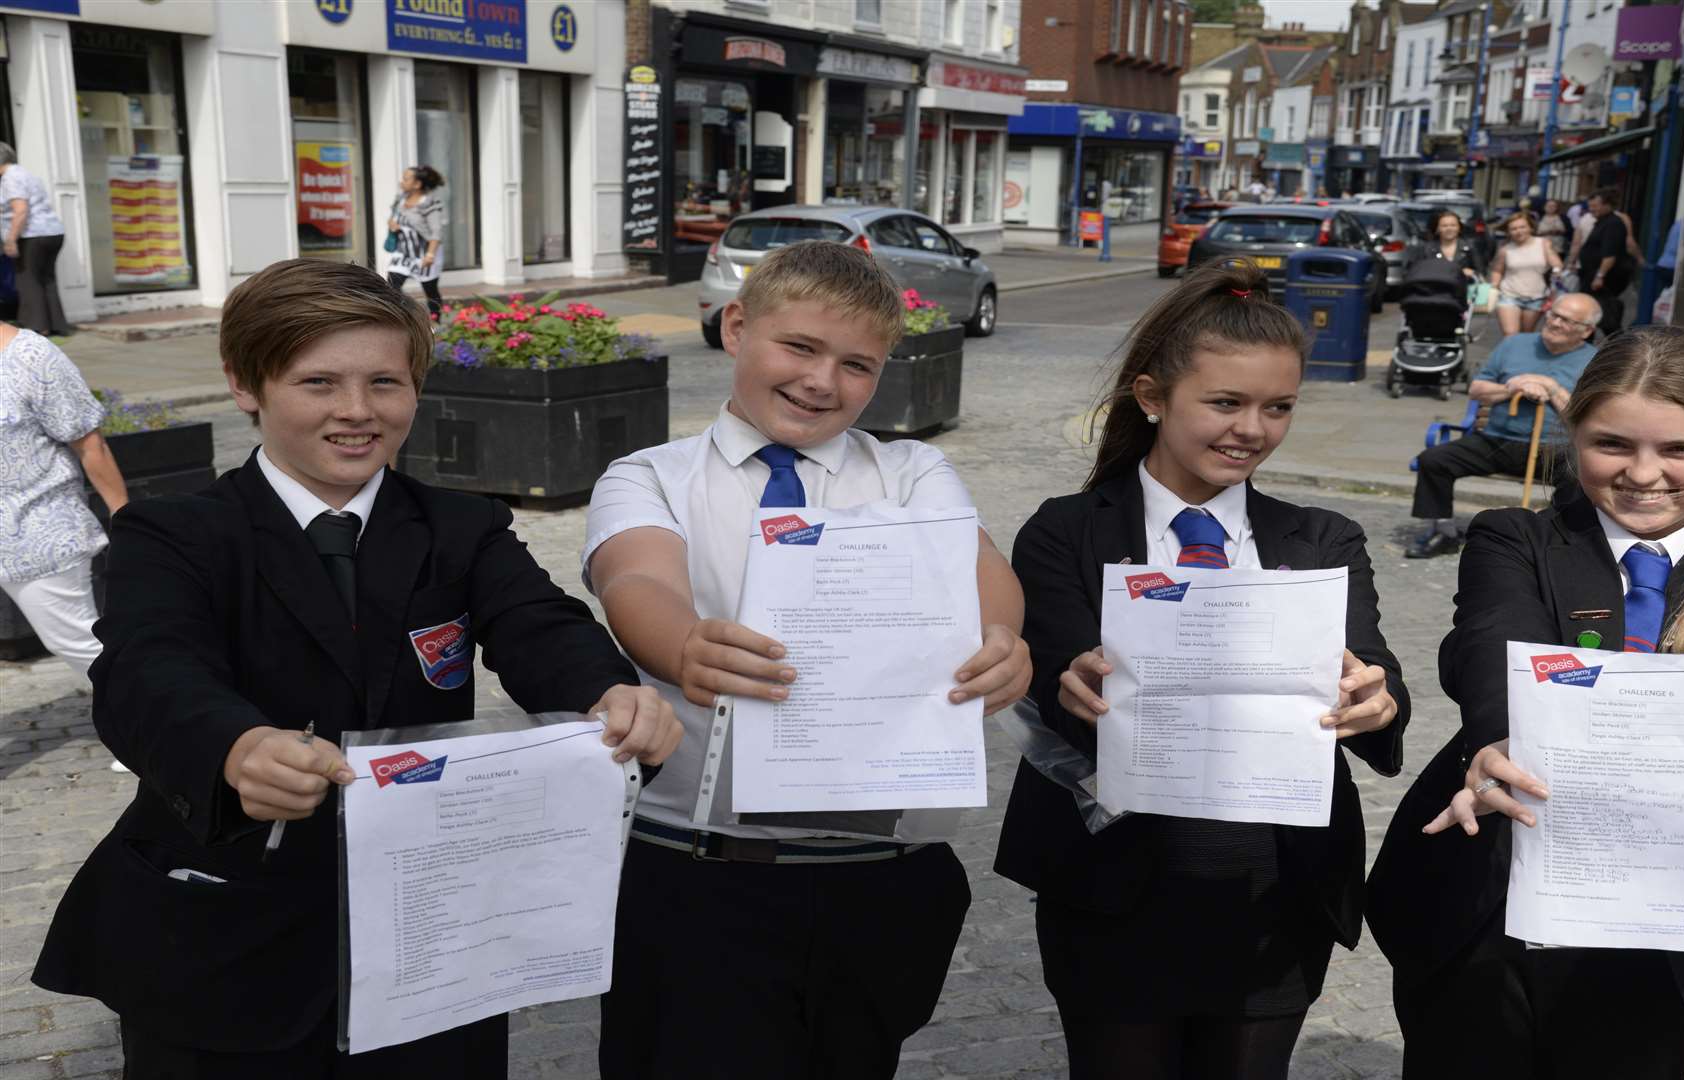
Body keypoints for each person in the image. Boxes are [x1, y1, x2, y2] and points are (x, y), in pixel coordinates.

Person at [31, 258, 682, 1078]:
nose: (356, 411)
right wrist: (234, 747)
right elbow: (146, 671)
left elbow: (540, 624)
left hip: (434, 943)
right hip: (226, 946)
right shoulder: (174, 535)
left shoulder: (460, 525)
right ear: (246, 385)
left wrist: (608, 689)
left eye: (385, 382)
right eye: (317, 382)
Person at [1368, 326, 1684, 1079]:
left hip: (1662, 933)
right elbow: (1489, 645)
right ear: (1573, 435)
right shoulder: (1517, 539)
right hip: (1490, 903)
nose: (1644, 475)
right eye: (1613, 445)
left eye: (1679, 450)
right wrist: (1501, 739)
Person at [583, 239, 1031, 1080]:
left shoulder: (910, 471)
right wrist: (683, 644)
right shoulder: (651, 476)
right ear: (737, 326)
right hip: (697, 874)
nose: (823, 382)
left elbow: (981, 573)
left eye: (857, 365)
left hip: (881, 879)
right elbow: (635, 577)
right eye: (799, 347)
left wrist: (1002, 641)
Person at [995, 258, 1411, 1080]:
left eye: (1278, 407)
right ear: (1153, 398)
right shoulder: (1065, 530)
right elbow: (1047, 663)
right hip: (1115, 883)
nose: (1251, 429)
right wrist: (1067, 682)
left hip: (1272, 887)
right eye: (1224, 402)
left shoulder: (1320, 539)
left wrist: (1377, 698)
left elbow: (1372, 661)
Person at [1404, 292, 1602, 559]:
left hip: (1553, 449)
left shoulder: (1595, 361)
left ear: (1586, 330)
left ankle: (1558, 540)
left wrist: (1552, 389)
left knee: (1578, 476)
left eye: (1566, 321)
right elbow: (1477, 389)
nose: (1554, 323)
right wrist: (1514, 386)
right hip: (1496, 441)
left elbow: (1586, 419)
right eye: (1553, 315)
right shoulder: (1515, 344)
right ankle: (1444, 532)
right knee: (1434, 459)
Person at [0, 322, 126, 685]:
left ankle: (163, 724)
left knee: (79, 644)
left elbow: (90, 444)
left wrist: (126, 519)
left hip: (37, 532)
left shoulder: (31, 356)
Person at [0, 142, 77, 337]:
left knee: (28, 279)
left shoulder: (11, 178)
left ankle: (37, 327)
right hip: (53, 232)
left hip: (33, 235)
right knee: (47, 279)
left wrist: (10, 240)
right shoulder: (27, 174)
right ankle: (57, 325)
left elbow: (21, 210)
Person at [1488, 210, 1564, 336]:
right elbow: (1497, 271)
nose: (1518, 231)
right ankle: (1510, 355)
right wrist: (1493, 288)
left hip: (1536, 297)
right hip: (1509, 295)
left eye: (1522, 227)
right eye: (1514, 229)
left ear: (1530, 227)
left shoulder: (1543, 243)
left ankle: (1521, 355)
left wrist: (1556, 271)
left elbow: (1557, 265)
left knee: (1526, 335)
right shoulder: (1505, 249)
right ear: (1509, 232)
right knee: (1510, 334)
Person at [386, 165, 447, 322]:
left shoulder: (429, 203)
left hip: (424, 253)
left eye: (406, 178)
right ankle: (397, 319)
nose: (402, 181)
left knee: (430, 290)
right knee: (391, 286)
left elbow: (436, 232)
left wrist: (430, 254)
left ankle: (437, 321)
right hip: (403, 252)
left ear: (417, 184)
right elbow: (393, 218)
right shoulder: (400, 199)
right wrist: (393, 225)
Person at [1576, 187, 1636, 336]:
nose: (1591, 210)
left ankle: (1616, 342)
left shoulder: (1613, 224)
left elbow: (1609, 254)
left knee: (1602, 312)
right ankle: (1587, 341)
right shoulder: (1602, 221)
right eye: (1590, 206)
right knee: (1592, 310)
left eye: (1595, 206)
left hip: (1603, 279)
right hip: (1591, 274)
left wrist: (1600, 276)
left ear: (1607, 205)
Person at [1415, 210, 1484, 280]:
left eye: (1453, 225)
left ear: (1459, 228)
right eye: (1444, 226)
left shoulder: (1469, 248)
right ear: (1437, 229)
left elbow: (1480, 273)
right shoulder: (1427, 249)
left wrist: (1471, 273)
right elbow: (1418, 272)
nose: (1449, 229)